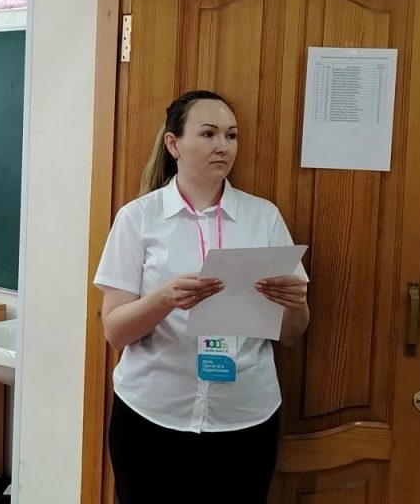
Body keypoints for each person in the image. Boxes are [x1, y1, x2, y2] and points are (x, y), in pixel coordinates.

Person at [94, 90, 310, 503]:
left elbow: (291, 334)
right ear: (173, 143)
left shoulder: (263, 217)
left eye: (231, 135)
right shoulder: (137, 218)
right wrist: (165, 298)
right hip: (152, 416)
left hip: (245, 419)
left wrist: (295, 304)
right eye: (209, 134)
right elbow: (115, 332)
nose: (223, 146)